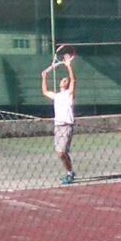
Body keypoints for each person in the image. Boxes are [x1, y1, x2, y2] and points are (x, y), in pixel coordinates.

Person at [41, 43, 79, 185]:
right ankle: (70, 172)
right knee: (61, 153)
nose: (64, 80)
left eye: (66, 80)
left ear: (68, 84)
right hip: (57, 127)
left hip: (67, 126)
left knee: (61, 153)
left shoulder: (69, 94)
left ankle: (70, 173)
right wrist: (44, 77)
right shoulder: (57, 95)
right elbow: (45, 91)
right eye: (63, 79)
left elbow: (74, 79)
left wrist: (68, 65)